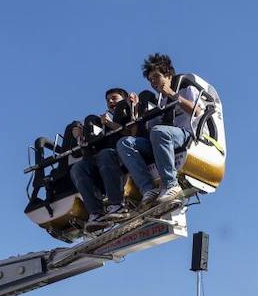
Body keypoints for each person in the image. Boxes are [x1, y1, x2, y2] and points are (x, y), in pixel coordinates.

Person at [114, 53, 200, 208]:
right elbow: (148, 131)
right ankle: (148, 189)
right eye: (150, 80)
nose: (153, 82)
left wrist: (173, 95)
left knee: (160, 131)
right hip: (161, 138)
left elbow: (197, 111)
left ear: (168, 74)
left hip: (185, 135)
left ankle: (171, 184)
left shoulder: (186, 88)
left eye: (156, 77)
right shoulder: (160, 101)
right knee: (124, 143)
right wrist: (135, 111)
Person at [70, 88, 133, 232]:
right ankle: (96, 213)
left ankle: (117, 204)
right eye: (108, 100)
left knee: (105, 154)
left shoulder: (127, 111)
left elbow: (131, 132)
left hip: (122, 157)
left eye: (114, 98)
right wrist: (79, 133)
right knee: (78, 168)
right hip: (101, 163)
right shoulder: (100, 120)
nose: (110, 101)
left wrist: (111, 124)